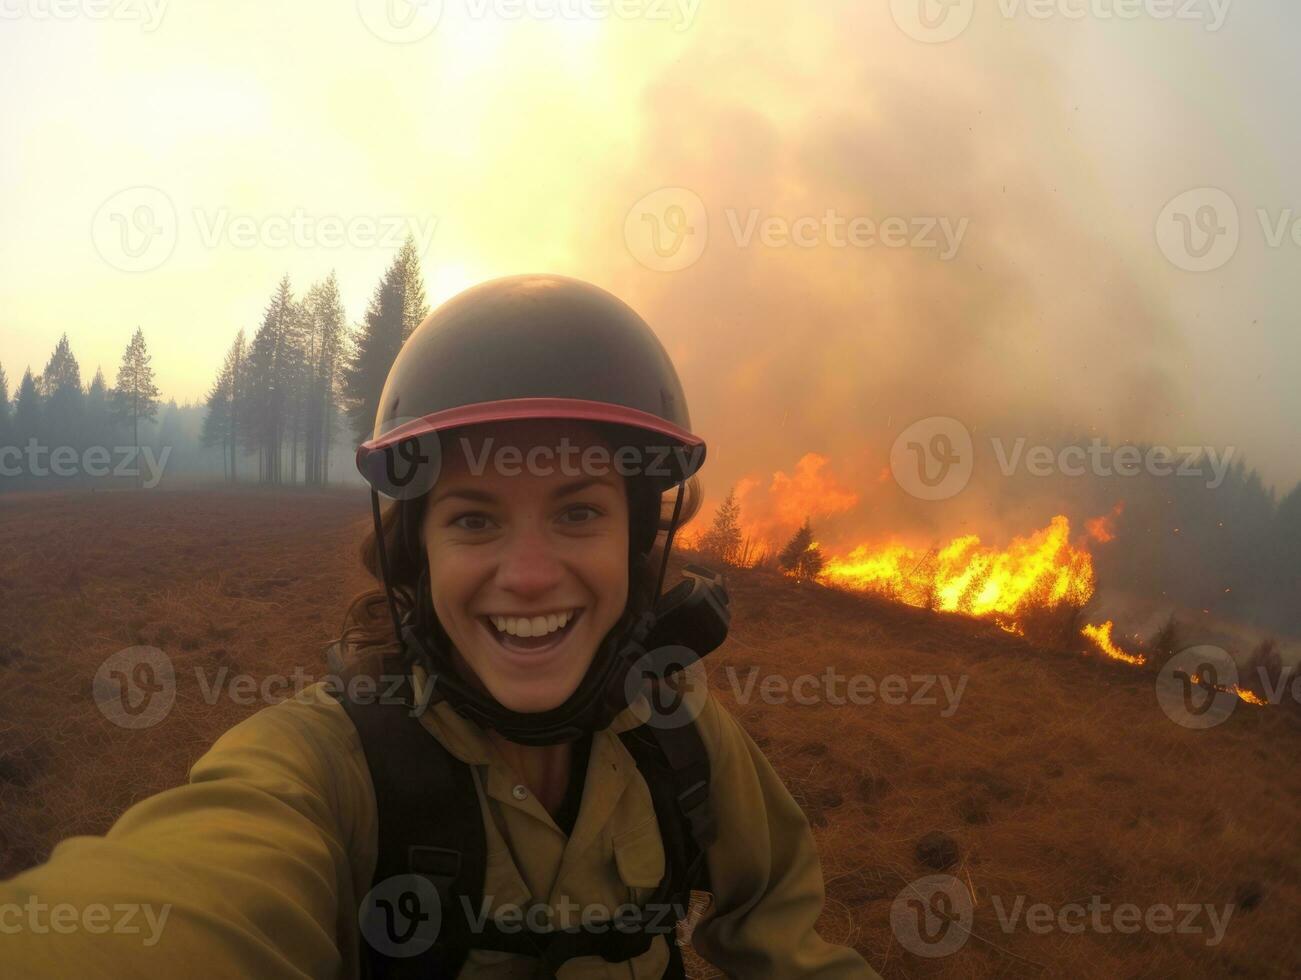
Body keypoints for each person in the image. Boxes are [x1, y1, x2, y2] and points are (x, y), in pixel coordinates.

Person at [1, 275, 880, 978]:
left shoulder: (680, 736)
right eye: (473, 519)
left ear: (637, 545)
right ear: (416, 552)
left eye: (578, 514)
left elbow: (789, 938)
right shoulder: (324, 767)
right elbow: (180, 903)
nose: (530, 575)